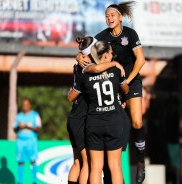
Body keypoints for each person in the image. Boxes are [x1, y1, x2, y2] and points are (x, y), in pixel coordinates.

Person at [77, 2, 146, 182]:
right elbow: (86, 47)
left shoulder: (130, 34)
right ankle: (112, 173)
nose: (109, 19)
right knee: (114, 123)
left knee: (137, 122)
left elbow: (141, 60)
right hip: (114, 85)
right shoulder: (102, 37)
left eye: (112, 15)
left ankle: (140, 161)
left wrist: (127, 81)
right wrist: (79, 56)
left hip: (131, 80)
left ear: (120, 17)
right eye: (106, 16)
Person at [69, 40, 129, 184]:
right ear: (107, 55)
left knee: (95, 167)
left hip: (93, 122)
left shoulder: (84, 72)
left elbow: (71, 96)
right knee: (115, 166)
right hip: (113, 122)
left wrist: (79, 58)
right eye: (111, 53)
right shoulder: (115, 70)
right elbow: (126, 89)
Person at [13, 98, 41, 184]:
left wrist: (27, 126)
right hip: (20, 141)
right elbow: (15, 129)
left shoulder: (35, 115)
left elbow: (38, 128)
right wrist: (19, 127)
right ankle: (20, 182)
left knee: (33, 161)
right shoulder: (19, 116)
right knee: (20, 161)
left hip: (31, 141)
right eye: (23, 104)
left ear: (30, 105)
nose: (25, 106)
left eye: (26, 104)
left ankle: (34, 181)